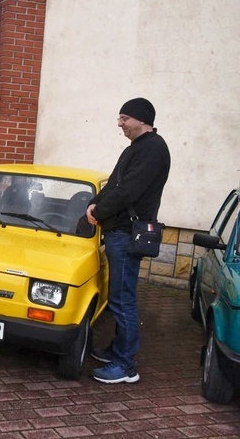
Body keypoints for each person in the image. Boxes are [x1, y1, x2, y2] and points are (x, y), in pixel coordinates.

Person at [86, 97, 170, 384]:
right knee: (119, 298)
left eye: (124, 118)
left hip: (126, 233)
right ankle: (117, 351)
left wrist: (100, 211)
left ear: (141, 119)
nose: (119, 123)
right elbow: (115, 184)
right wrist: (94, 202)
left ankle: (126, 366)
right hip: (119, 231)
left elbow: (128, 192)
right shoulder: (136, 149)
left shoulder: (154, 150)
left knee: (123, 299)